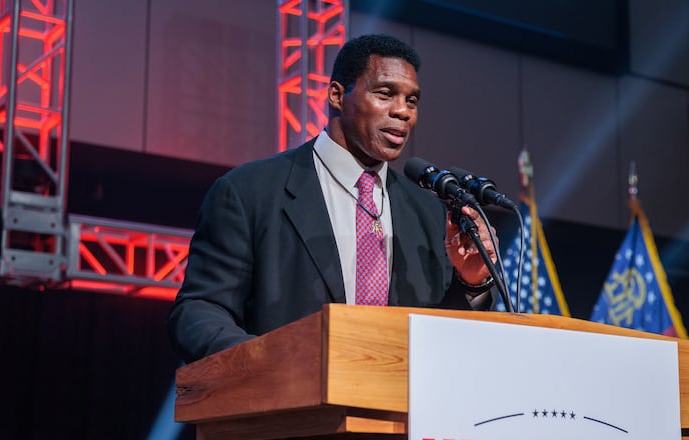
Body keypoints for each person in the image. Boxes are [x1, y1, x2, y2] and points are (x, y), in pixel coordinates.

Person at [168, 34, 498, 364]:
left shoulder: (427, 211)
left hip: (398, 410)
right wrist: (265, 366)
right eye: (385, 94)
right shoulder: (248, 192)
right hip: (289, 408)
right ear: (337, 95)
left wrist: (471, 283)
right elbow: (200, 311)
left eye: (412, 101)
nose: (402, 111)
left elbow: (444, 337)